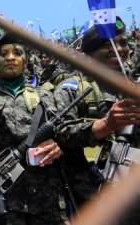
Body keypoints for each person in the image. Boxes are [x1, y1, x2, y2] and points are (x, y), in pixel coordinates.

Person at [54, 17, 140, 221]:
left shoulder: (134, 87)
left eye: (123, 43)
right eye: (107, 45)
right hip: (91, 196)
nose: (119, 49)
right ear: (89, 53)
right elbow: (59, 133)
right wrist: (105, 125)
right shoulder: (73, 88)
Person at [0, 33, 67, 225]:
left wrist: (58, 149)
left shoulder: (45, 95)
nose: (11, 57)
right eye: (4, 54)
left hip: (46, 201)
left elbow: (67, 137)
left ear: (25, 60)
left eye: (17, 53)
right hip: (0, 202)